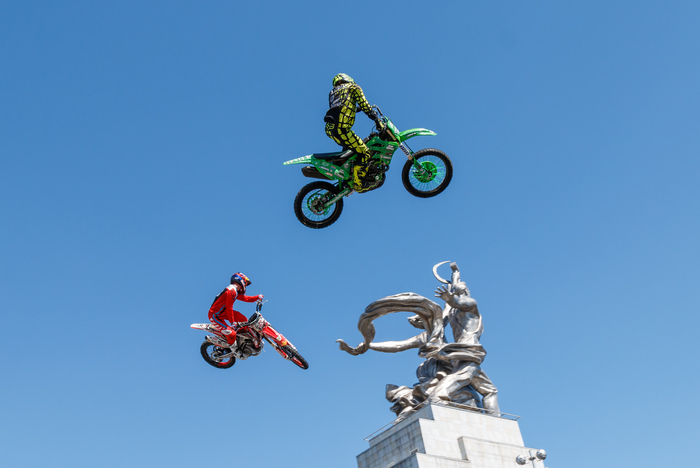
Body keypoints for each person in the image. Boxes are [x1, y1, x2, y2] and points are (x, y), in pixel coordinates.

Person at [324, 73, 382, 188]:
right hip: (342, 129)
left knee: (351, 151)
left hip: (330, 129)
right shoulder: (353, 87)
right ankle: (358, 182)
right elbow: (364, 105)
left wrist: (357, 109)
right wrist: (376, 119)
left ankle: (347, 177)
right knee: (364, 152)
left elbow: (342, 106)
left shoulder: (333, 92)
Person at [208, 272, 263, 348]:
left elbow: (246, 298)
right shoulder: (231, 291)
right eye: (245, 284)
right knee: (232, 334)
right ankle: (231, 347)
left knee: (243, 320)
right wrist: (232, 322)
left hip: (222, 312)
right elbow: (229, 307)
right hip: (215, 316)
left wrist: (257, 297)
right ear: (241, 281)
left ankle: (241, 339)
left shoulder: (234, 291)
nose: (245, 286)